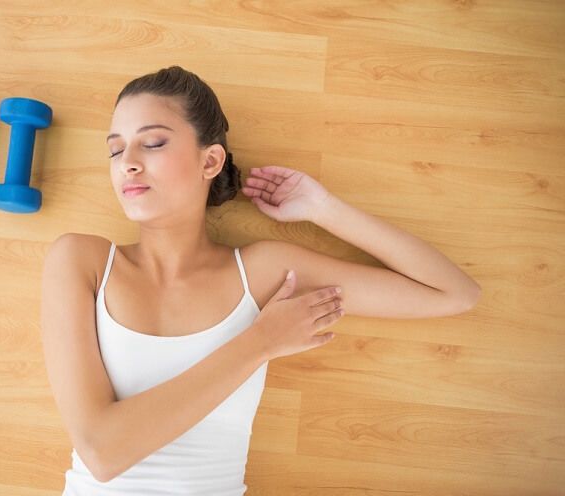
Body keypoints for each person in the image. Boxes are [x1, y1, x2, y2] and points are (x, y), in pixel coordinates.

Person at [41, 66, 481, 495]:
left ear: (210, 160)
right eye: (116, 150)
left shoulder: (264, 273)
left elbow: (453, 293)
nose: (128, 164)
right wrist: (260, 342)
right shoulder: (83, 262)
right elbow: (101, 452)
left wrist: (323, 208)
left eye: (152, 143)